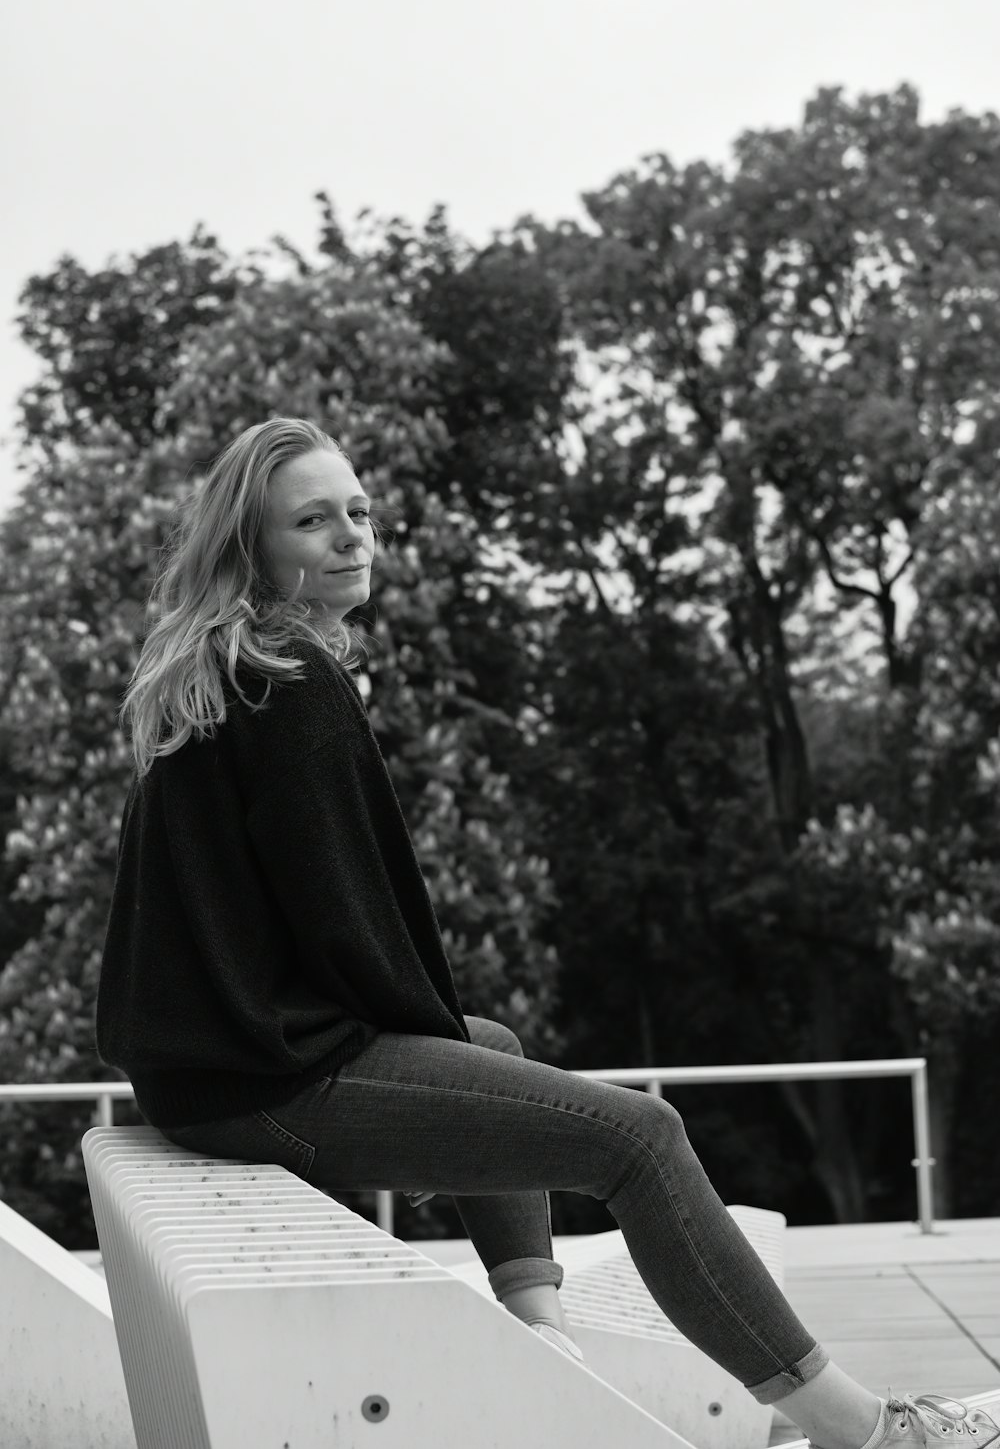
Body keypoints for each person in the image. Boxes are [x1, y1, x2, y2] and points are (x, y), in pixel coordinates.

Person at [96, 416, 998, 1449]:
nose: (353, 536)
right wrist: (419, 1058)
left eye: (359, 511)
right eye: (314, 520)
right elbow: (353, 924)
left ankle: (543, 1344)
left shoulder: (216, 671)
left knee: (494, 1049)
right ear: (253, 553)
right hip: (265, 1085)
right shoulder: (292, 683)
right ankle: (866, 1430)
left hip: (205, 1078)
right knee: (636, 1137)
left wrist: (448, 1064)